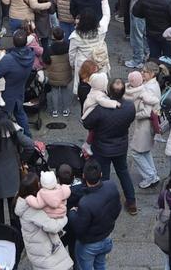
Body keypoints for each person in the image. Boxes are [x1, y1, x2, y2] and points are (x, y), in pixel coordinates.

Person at [81, 77, 138, 215]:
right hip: (121, 146)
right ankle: (131, 202)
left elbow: (87, 123)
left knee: (104, 177)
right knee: (123, 172)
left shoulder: (100, 109)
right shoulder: (130, 106)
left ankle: (105, 204)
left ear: (109, 91)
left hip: (102, 148)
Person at [67, 161, 122, 270]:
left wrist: (72, 213)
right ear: (101, 174)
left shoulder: (85, 203)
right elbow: (118, 209)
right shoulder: (111, 186)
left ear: (83, 176)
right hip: (106, 238)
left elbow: (79, 229)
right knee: (100, 265)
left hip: (89, 245)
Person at [16, 171, 74, 270]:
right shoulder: (32, 210)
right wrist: (65, 218)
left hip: (36, 249)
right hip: (44, 253)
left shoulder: (21, 200)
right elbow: (53, 227)